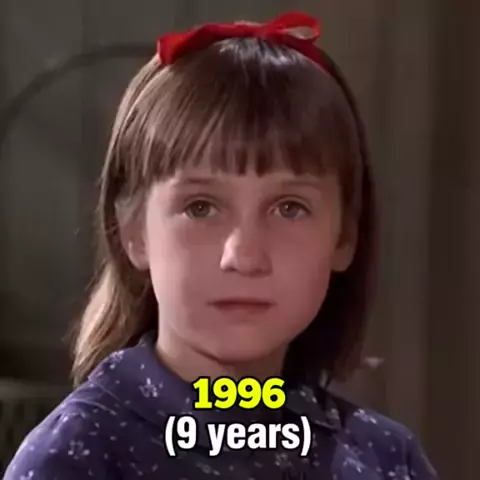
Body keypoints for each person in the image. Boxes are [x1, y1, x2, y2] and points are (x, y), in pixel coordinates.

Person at [4, 11, 438, 480]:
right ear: (133, 232)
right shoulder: (76, 457)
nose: (244, 256)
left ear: (345, 237)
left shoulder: (385, 459)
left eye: (289, 208)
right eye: (200, 207)